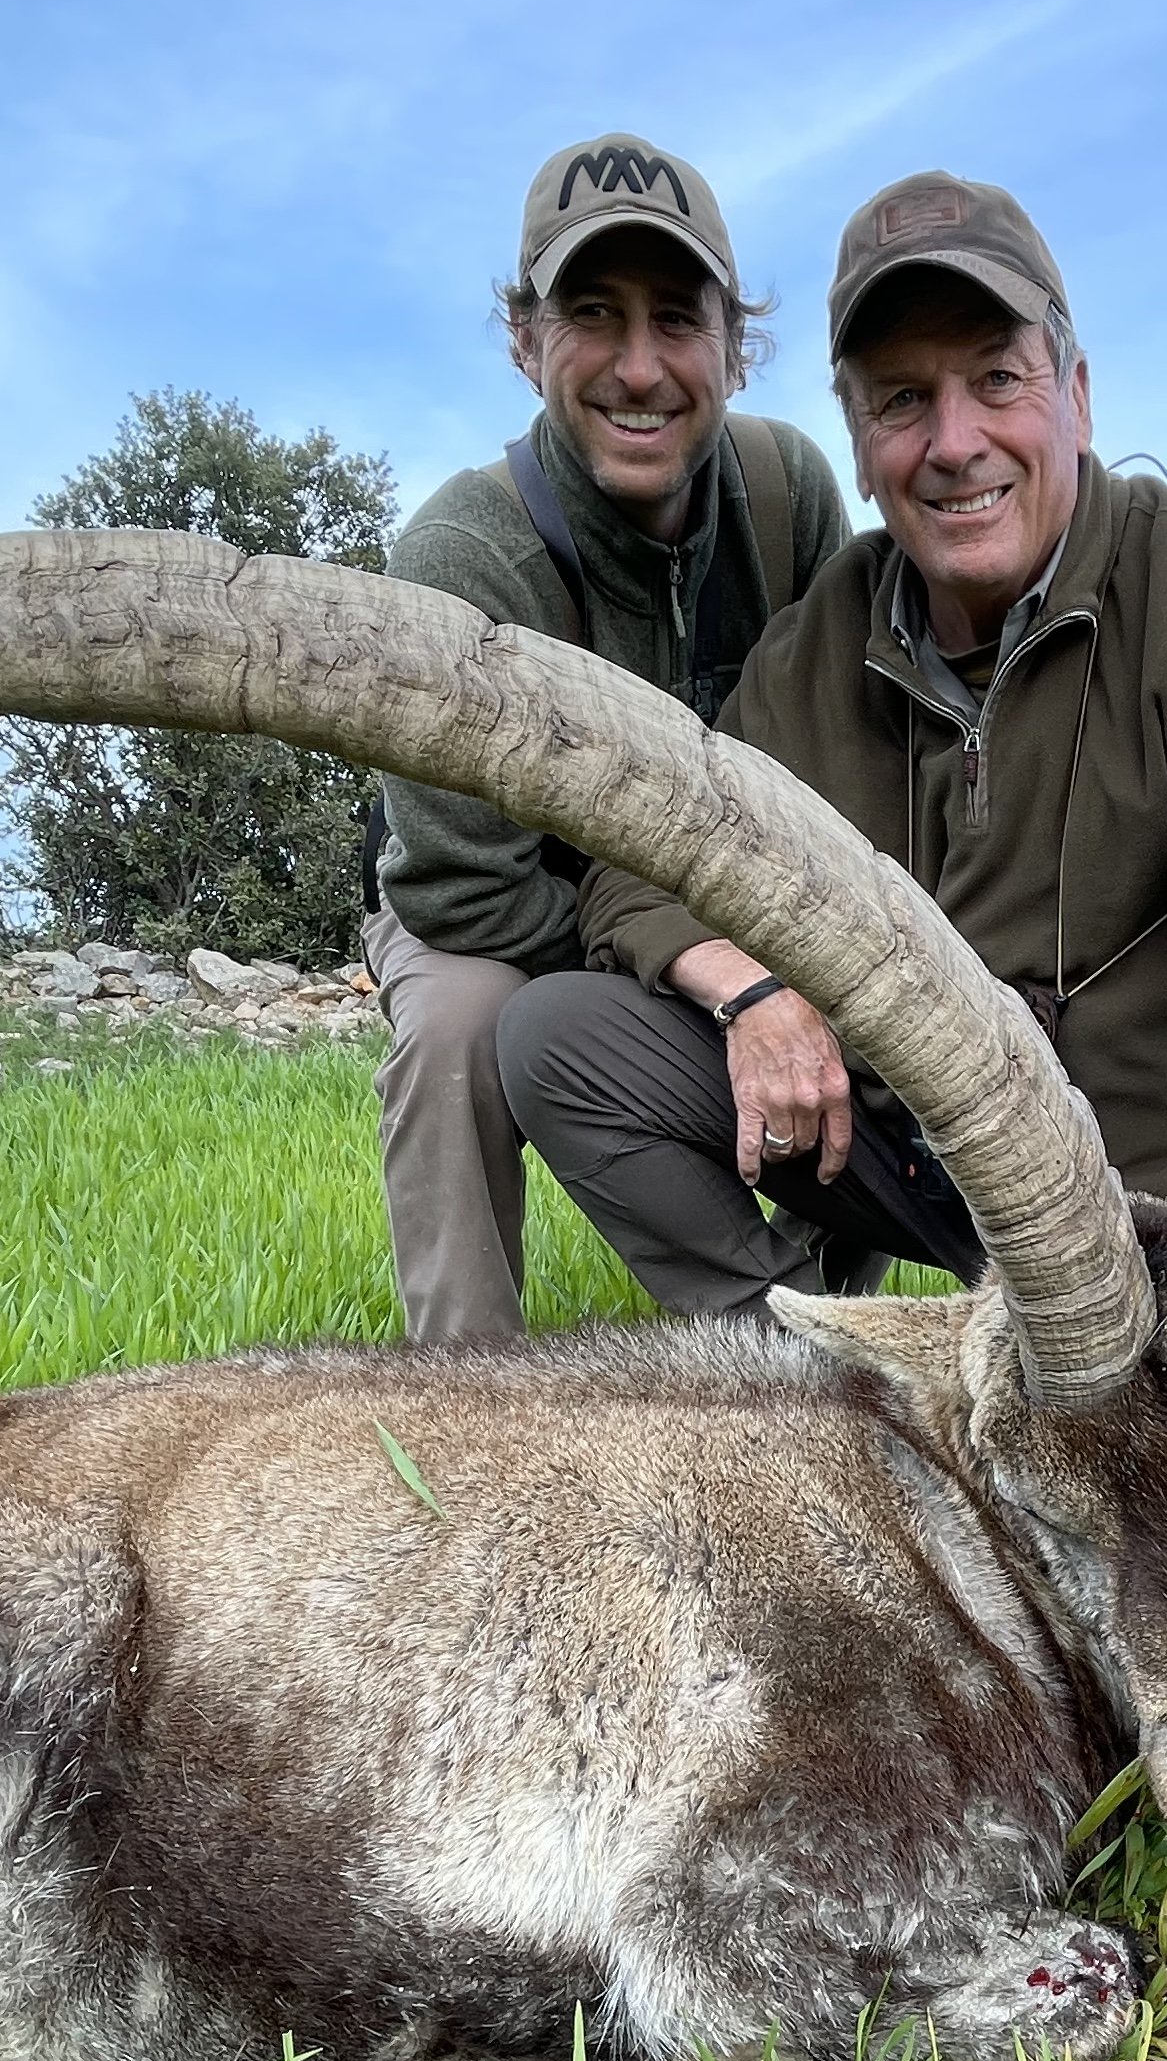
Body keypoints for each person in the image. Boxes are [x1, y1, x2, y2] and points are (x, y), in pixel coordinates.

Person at [498, 169, 1167, 1335]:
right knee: (559, 1038)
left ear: (1075, 395)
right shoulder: (813, 648)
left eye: (996, 380)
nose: (954, 443)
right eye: (901, 400)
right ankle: (818, 1401)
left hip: (1156, 1220)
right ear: (856, 447)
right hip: (908, 1153)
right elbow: (634, 862)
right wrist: (749, 989)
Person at [358, 133, 850, 1343]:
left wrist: (753, 967)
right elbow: (460, 886)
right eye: (591, 314)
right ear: (524, 339)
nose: (640, 367)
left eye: (677, 319)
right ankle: (465, 1410)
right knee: (462, 1032)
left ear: (735, 344)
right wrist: (686, 966)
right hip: (496, 902)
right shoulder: (457, 559)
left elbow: (845, 781)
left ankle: (807, 1339)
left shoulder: (790, 495)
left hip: (722, 896)